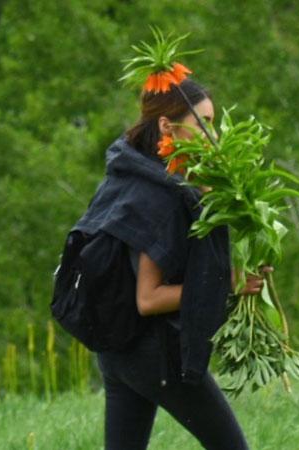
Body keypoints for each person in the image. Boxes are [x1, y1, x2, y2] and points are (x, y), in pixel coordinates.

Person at [71, 79, 265, 450]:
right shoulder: (156, 196)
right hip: (153, 353)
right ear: (166, 126)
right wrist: (230, 282)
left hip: (117, 350)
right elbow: (149, 298)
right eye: (204, 123)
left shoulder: (134, 170)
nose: (215, 134)